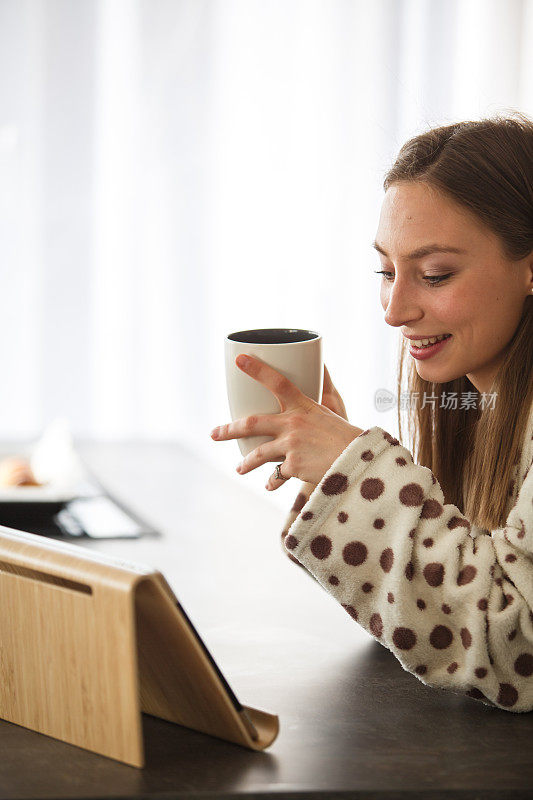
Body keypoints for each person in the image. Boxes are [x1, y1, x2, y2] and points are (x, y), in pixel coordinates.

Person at [210, 113, 533, 712]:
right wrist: (337, 477)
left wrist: (359, 477)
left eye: (435, 274)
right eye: (386, 271)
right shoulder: (479, 405)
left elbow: (516, 650)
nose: (393, 309)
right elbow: (453, 614)